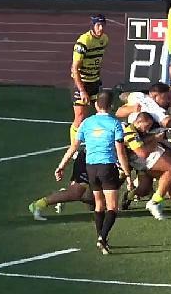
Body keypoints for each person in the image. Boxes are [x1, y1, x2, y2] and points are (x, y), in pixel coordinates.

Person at [55, 91, 131, 255]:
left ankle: (100, 237)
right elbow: (120, 152)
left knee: (99, 204)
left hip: (90, 167)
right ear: (111, 106)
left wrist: (61, 166)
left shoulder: (87, 123)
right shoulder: (115, 124)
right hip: (107, 167)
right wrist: (128, 173)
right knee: (112, 207)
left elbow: (74, 147)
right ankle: (102, 238)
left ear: (96, 105)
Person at [70, 14, 108, 143]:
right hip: (82, 83)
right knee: (80, 117)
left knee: (99, 113)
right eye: (98, 25)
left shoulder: (105, 39)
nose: (101, 28)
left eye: (103, 25)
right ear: (92, 26)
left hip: (94, 82)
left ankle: (94, 141)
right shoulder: (83, 42)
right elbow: (75, 68)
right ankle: (74, 146)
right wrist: (82, 90)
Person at [28, 150, 93, 221]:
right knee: (75, 193)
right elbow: (74, 145)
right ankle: (38, 205)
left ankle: (63, 196)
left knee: (95, 199)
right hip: (91, 160)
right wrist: (61, 166)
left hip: (99, 160)